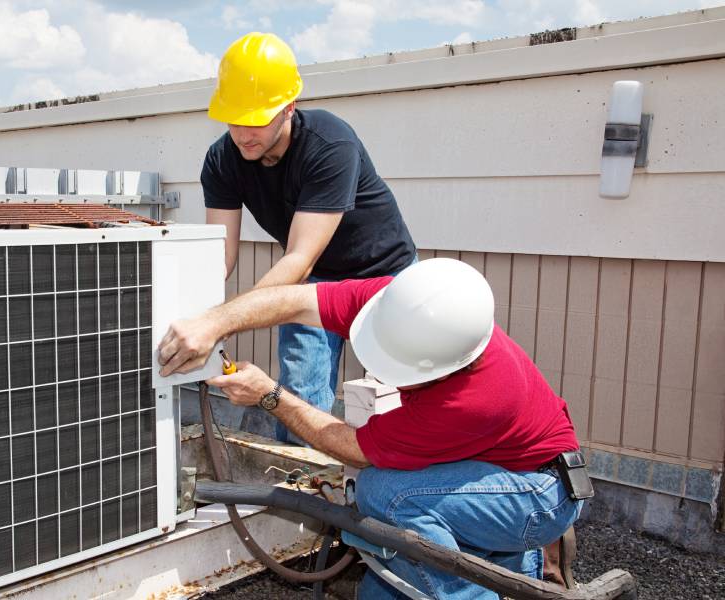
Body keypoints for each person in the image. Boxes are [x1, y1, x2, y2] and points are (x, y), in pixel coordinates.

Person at [157, 258, 585, 599]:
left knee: (386, 495)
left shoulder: (474, 399)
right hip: (495, 469)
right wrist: (215, 322)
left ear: (443, 369)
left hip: (538, 495)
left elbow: (354, 448)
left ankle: (485, 586)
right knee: (381, 590)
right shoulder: (401, 304)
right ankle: (513, 568)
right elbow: (292, 299)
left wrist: (269, 395)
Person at [202, 31, 416, 442]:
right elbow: (221, 255)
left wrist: (222, 322)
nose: (245, 133)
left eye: (259, 118)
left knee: (405, 391)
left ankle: (395, 487)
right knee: (299, 394)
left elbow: (299, 256)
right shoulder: (222, 159)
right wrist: (198, 315)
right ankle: (302, 491)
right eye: (235, 119)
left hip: (385, 276)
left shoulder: (330, 143)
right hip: (315, 280)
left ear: (288, 108)